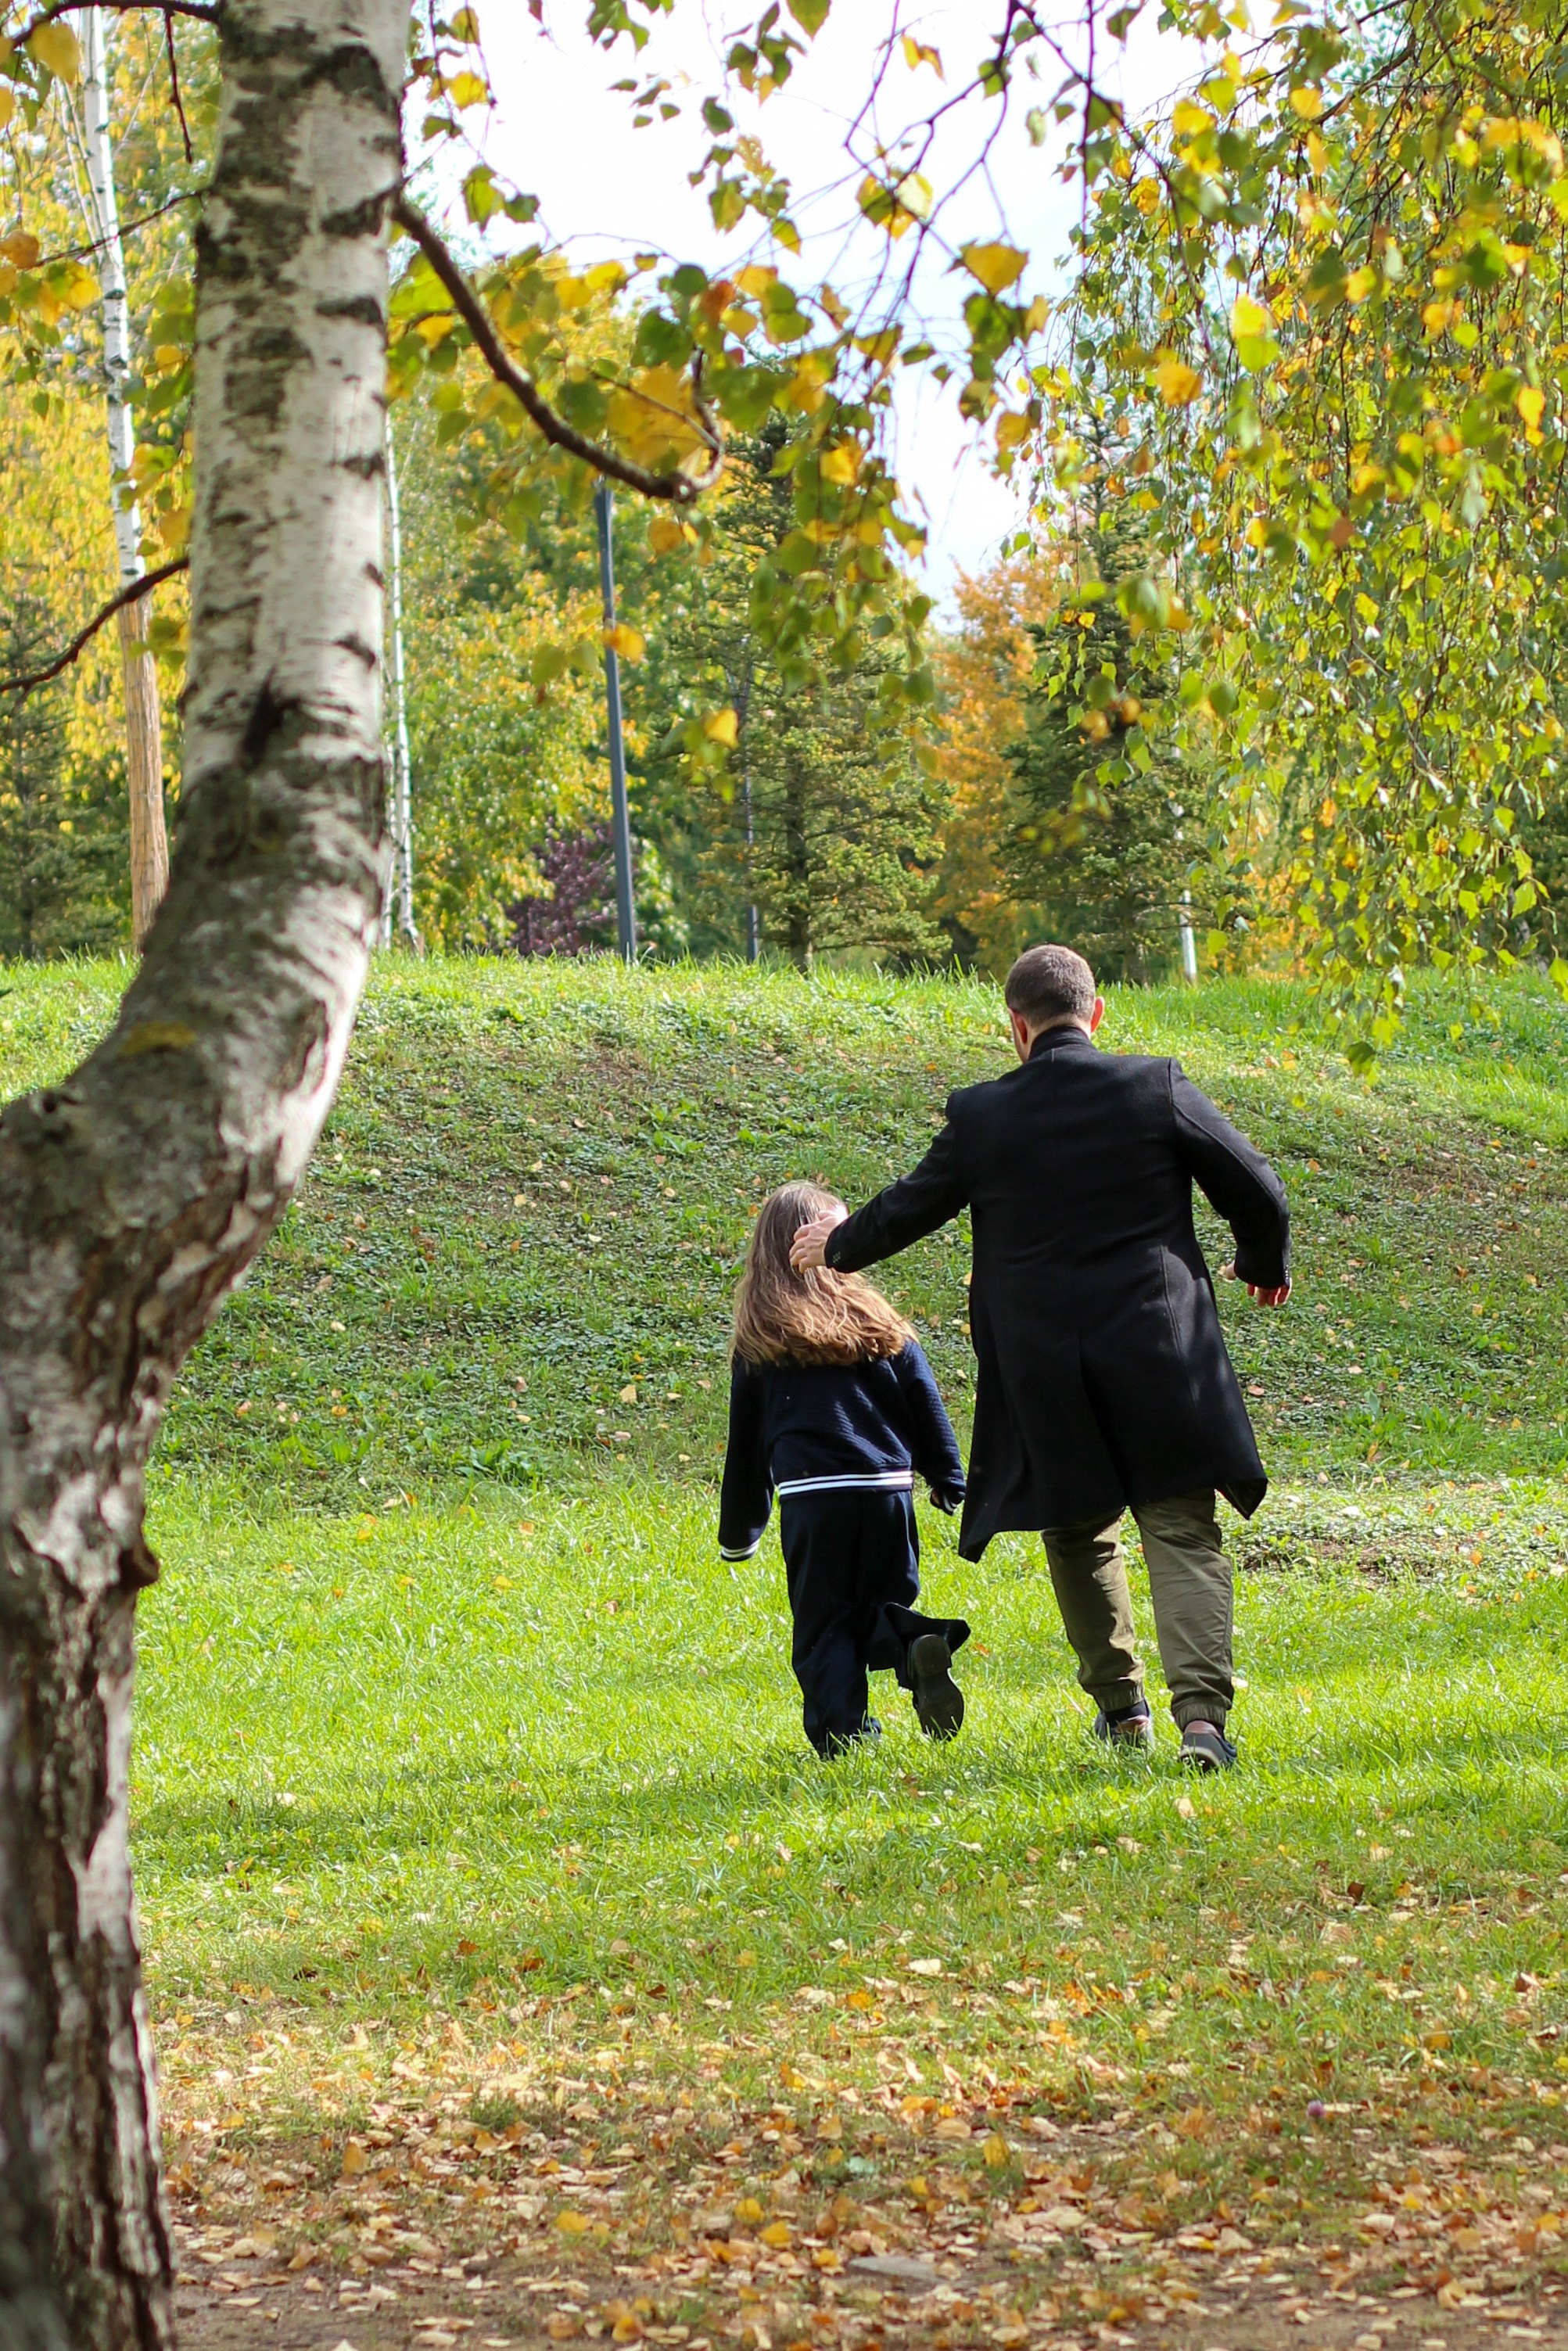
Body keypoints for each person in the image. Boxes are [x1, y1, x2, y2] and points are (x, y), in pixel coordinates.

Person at [791, 944, 1290, 1771]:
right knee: (1180, 1530)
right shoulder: (1153, 1085)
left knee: (1079, 1530)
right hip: (1160, 1351)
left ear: (1015, 1029)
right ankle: (1201, 1724)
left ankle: (1123, 1712)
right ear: (1095, 1014)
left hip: (1043, 1365)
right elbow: (1257, 1187)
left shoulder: (983, 1116)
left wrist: (833, 1245)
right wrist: (1262, 1264)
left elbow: (910, 1207)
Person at [719, 1182, 972, 1758]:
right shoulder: (880, 1323)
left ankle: (844, 1734)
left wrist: (740, 1532)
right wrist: (947, 1477)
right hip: (887, 1491)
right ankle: (913, 1642)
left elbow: (747, 1447)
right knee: (881, 1604)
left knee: (826, 1622)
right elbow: (923, 1400)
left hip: (814, 1498)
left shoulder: (761, 1339)